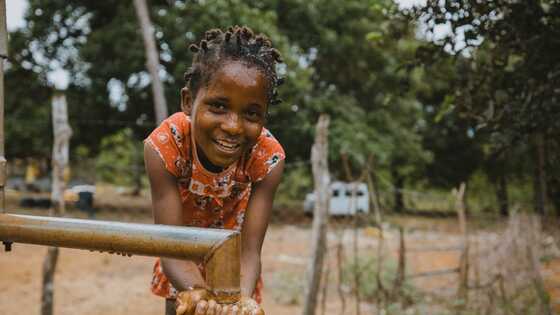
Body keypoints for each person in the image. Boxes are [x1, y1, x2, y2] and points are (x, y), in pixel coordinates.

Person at [144, 25, 285, 315]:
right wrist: (198, 294)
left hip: (236, 263)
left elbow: (249, 251)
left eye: (251, 113)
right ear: (188, 101)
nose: (233, 126)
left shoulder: (267, 157)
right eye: (219, 106)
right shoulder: (165, 145)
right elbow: (170, 247)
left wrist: (238, 303)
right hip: (180, 253)